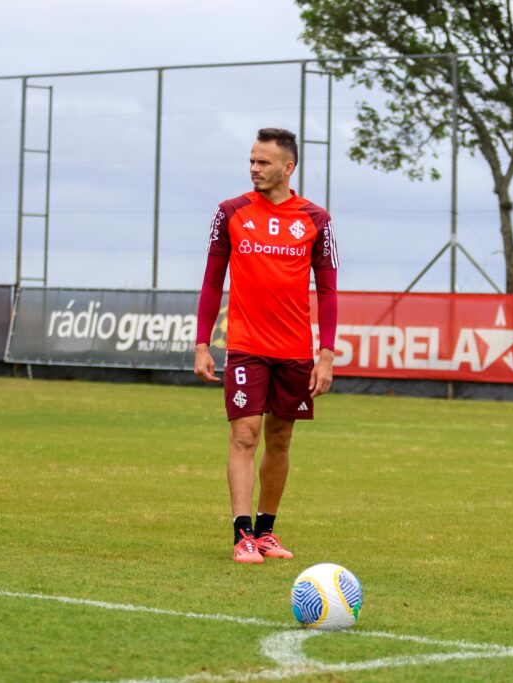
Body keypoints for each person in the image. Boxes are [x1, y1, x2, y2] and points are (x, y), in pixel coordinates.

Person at [194, 128, 338, 564]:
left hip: (295, 350)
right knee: (244, 435)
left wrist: (325, 354)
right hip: (245, 346)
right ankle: (241, 536)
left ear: (287, 168)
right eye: (252, 161)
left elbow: (329, 291)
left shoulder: (316, 219)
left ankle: (266, 531)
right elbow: (212, 280)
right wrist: (202, 343)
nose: (254, 168)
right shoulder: (230, 212)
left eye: (263, 162)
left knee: (280, 439)